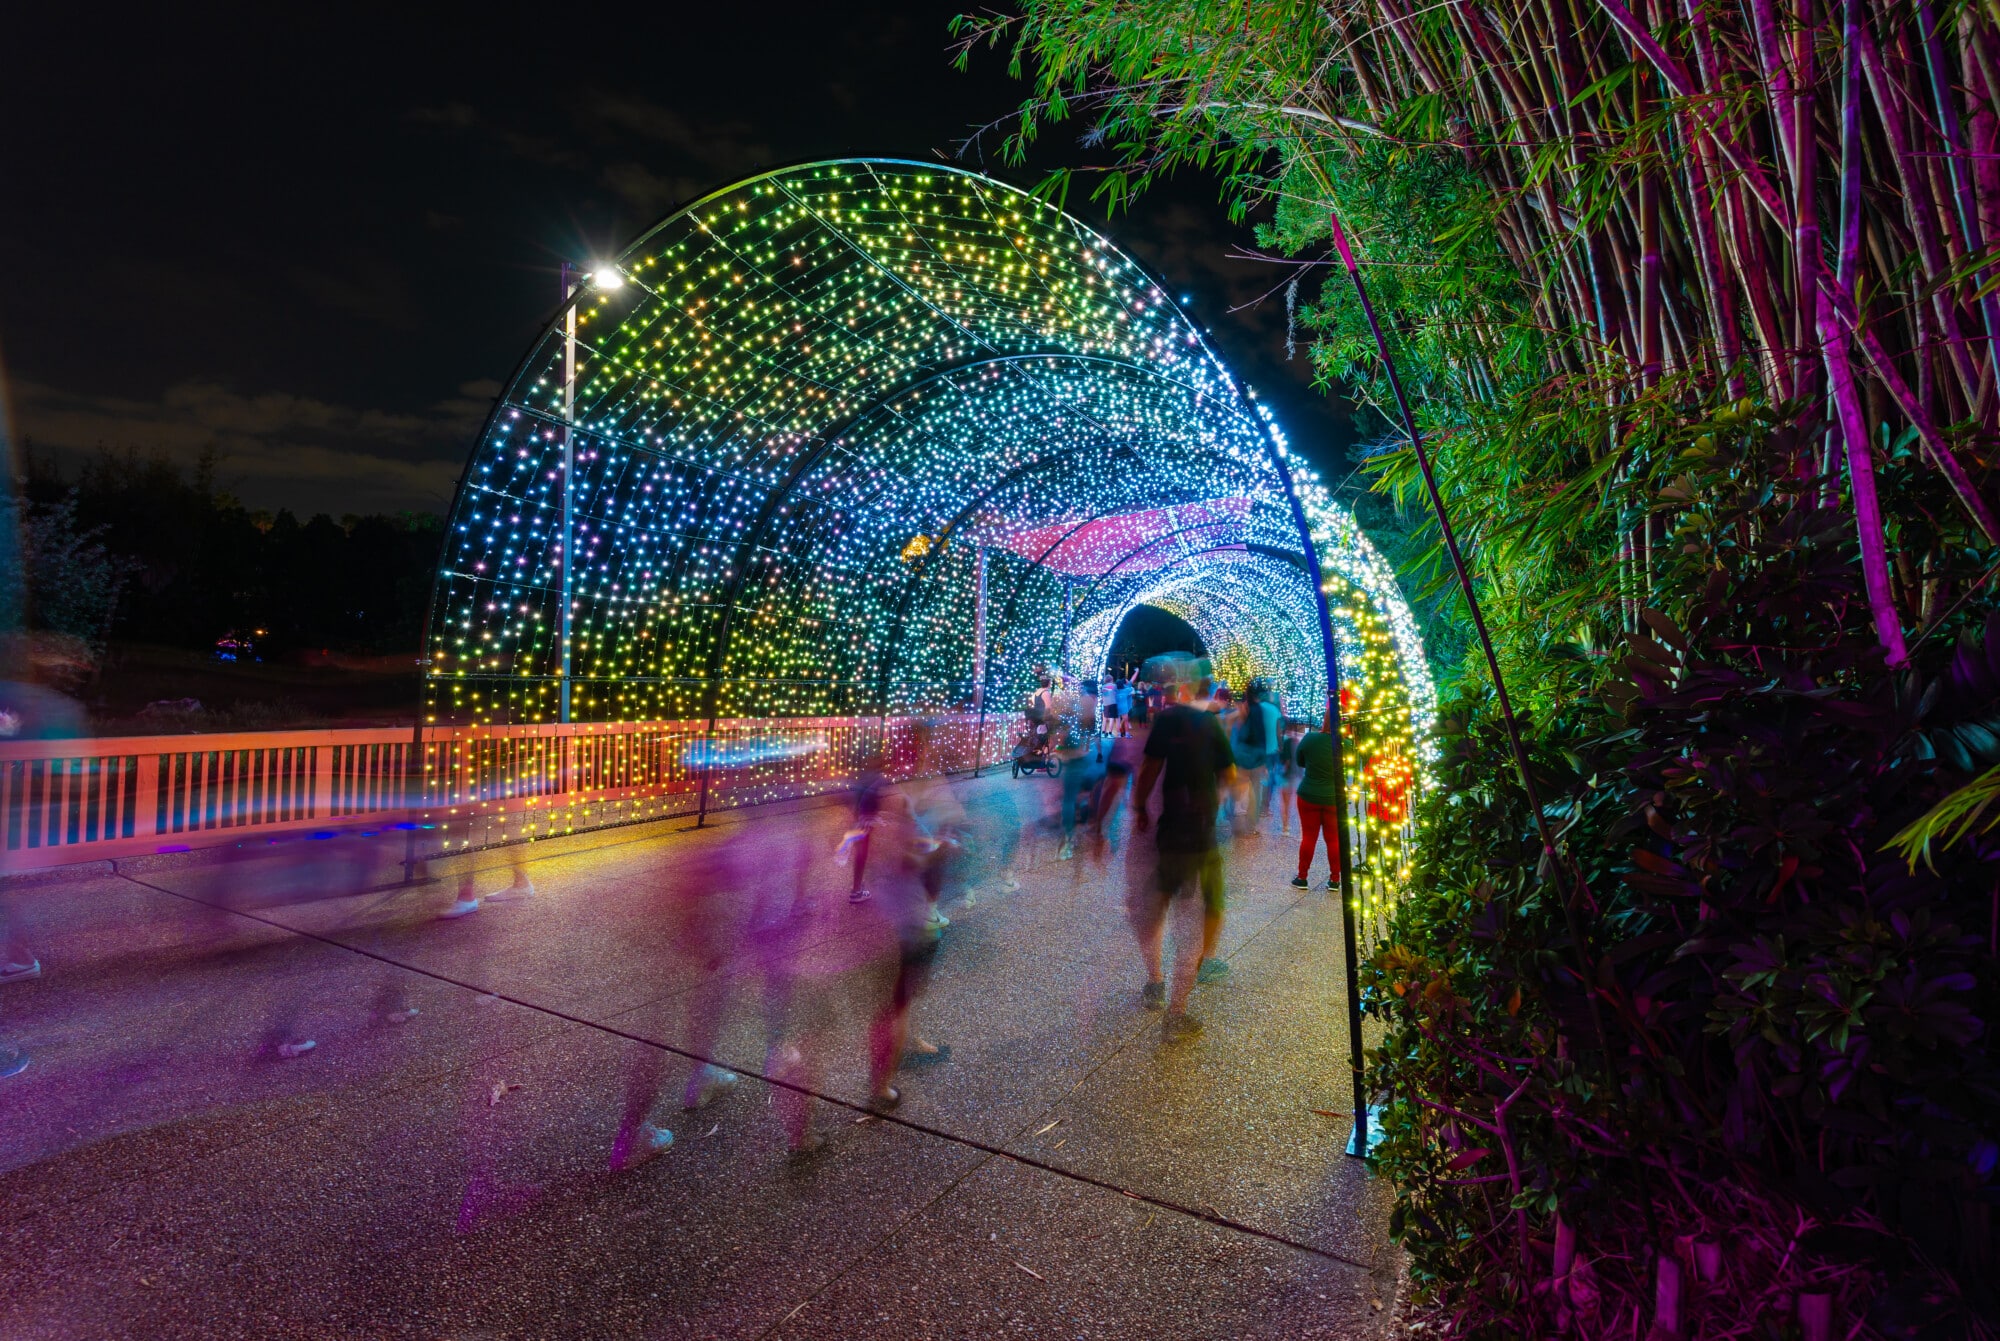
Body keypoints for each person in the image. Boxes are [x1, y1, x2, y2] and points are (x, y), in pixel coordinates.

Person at [1129, 660, 1235, 1039]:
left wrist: (1140, 808)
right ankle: (1178, 1009)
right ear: (1209, 688)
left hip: (1170, 829)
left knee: (1159, 902)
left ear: (1186, 687)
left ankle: (1155, 982)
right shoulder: (1212, 725)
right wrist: (1218, 805)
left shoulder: (1168, 721)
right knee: (1207, 908)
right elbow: (1230, 776)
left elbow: (1148, 770)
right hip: (1202, 834)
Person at [1292, 710, 1344, 891]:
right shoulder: (1346, 744)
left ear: (1324, 720)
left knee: (1308, 837)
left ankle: (1302, 877)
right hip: (1333, 799)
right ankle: (1335, 880)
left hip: (1308, 795)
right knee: (1334, 839)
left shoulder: (1310, 739)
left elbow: (1299, 761)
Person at [843, 752, 890, 904]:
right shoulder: (878, 778)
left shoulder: (862, 775)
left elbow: (852, 796)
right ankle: (856, 891)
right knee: (862, 855)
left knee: (863, 853)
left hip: (861, 817)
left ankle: (858, 885)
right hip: (865, 819)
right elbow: (874, 798)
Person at [1276, 718, 1307, 836]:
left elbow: (1286, 760)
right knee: (1298, 805)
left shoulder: (1285, 741)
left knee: (1285, 804)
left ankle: (1286, 828)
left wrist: (1280, 769)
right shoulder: (1299, 741)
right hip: (1298, 776)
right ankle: (1301, 830)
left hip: (1287, 776)